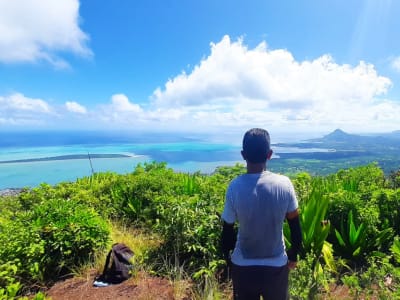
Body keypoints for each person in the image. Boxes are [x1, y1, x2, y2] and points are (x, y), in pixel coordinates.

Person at [221, 128, 302, 300]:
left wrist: (227, 257)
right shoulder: (284, 184)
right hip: (276, 266)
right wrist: (293, 255)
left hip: (243, 266)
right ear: (269, 154)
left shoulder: (235, 186)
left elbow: (227, 228)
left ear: (243, 155)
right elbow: (295, 226)